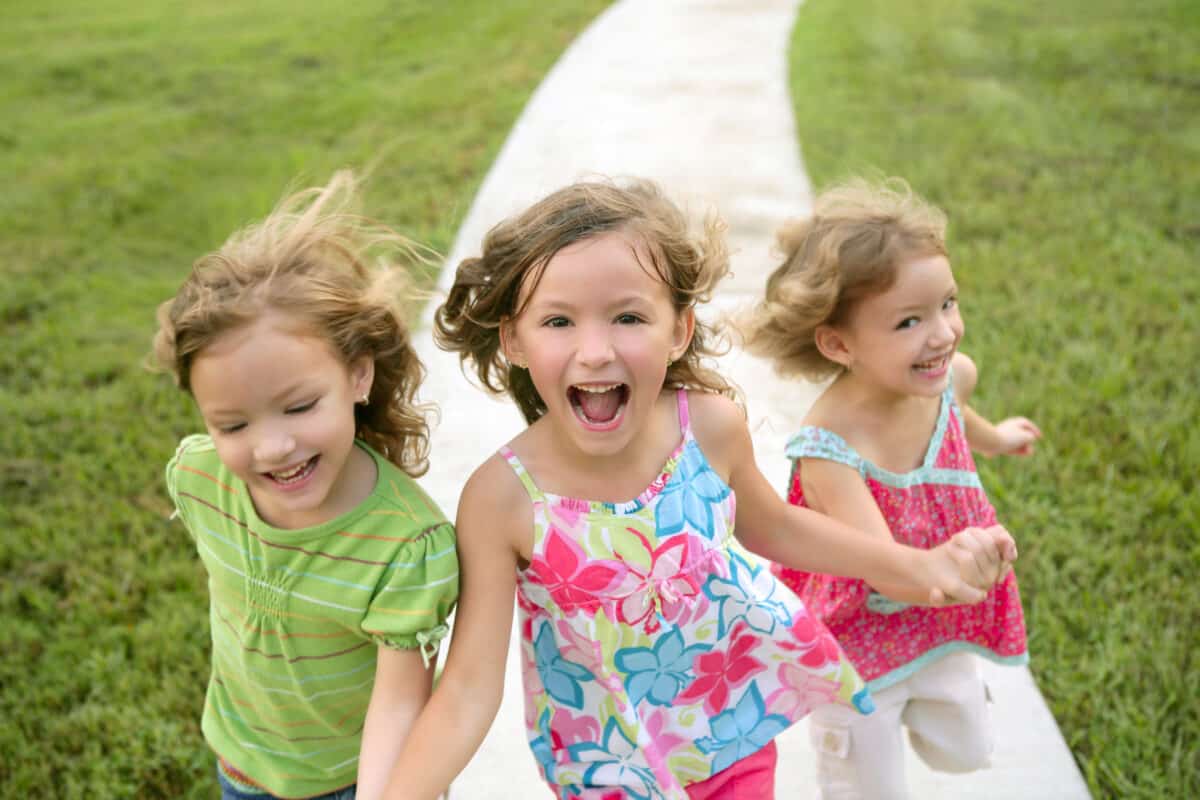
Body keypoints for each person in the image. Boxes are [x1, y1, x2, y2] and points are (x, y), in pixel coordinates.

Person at [380, 178, 1016, 800]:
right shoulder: (503, 498)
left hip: (733, 730)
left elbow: (775, 525)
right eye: (558, 322)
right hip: (606, 769)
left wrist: (918, 565)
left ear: (679, 329)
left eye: (628, 316)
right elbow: (467, 688)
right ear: (514, 338)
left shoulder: (705, 427)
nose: (596, 350)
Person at [153, 173, 459, 800]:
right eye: (232, 423)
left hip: (358, 782)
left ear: (357, 375)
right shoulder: (200, 478)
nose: (271, 447)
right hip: (242, 768)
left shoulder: (406, 545)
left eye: (298, 407)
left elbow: (401, 706)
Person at [740, 177, 1038, 799]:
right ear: (838, 343)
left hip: (938, 621)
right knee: (867, 786)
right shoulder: (829, 447)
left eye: (948, 304)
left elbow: (963, 420)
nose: (942, 333)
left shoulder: (950, 376)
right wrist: (955, 570)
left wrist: (1000, 438)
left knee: (968, 750)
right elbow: (885, 571)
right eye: (909, 321)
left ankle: (940, 703)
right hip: (859, 643)